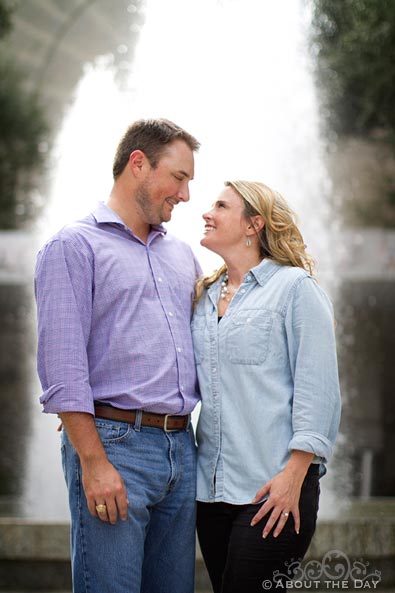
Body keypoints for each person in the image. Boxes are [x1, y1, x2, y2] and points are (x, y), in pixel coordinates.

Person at [34, 118, 201, 593]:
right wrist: (93, 461)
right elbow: (62, 367)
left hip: (180, 450)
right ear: (138, 164)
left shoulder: (181, 255)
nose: (186, 195)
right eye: (179, 177)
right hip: (114, 447)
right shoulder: (73, 246)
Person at [192, 180, 341, 593]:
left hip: (274, 488)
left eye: (221, 206)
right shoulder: (203, 298)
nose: (207, 213)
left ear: (253, 224)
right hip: (212, 492)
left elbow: (320, 390)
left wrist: (294, 476)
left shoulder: (295, 289)